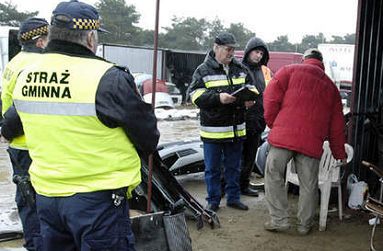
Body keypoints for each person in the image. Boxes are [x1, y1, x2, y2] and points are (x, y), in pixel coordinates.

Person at [12, 0, 160, 250]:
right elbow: (148, 138)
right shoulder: (108, 78)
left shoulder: (25, 75)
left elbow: (9, 126)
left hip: (47, 196)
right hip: (97, 201)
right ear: (90, 38)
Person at [262, 48, 347, 235]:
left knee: (273, 174)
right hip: (311, 144)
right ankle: (304, 225)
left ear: (304, 59)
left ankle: (279, 220)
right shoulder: (331, 88)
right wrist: (340, 153)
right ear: (321, 63)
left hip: (283, 138)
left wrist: (274, 124)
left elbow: (270, 98)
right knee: (309, 185)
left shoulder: (288, 71)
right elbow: (337, 127)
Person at [189, 32, 258, 212]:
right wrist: (218, 98)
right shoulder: (202, 70)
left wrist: (249, 99)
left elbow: (251, 88)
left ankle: (233, 198)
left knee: (234, 167)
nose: (231, 53)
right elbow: (195, 96)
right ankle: (213, 200)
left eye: (233, 50)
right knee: (212, 169)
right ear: (216, 47)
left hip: (236, 129)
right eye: (228, 49)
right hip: (213, 131)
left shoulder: (240, 69)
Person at [0, 17, 49, 251]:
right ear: (40, 41)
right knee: (43, 202)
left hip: (18, 146)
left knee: (26, 199)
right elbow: (23, 107)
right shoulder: (35, 66)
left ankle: (33, 243)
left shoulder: (14, 62)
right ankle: (41, 245)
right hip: (36, 145)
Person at [240, 36, 272, 197]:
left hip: (258, 121)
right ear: (248, 52)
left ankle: (244, 185)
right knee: (233, 157)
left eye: (261, 53)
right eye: (256, 52)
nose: (258, 56)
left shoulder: (264, 71)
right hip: (239, 121)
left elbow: (268, 94)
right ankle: (228, 187)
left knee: (250, 157)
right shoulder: (238, 68)